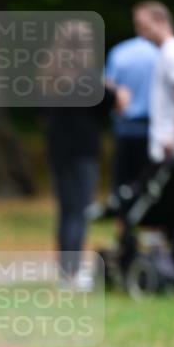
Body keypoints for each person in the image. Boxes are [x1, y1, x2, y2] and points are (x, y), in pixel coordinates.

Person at [44, 20, 118, 287]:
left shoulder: (50, 74)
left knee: (65, 211)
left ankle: (65, 270)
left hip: (57, 150)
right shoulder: (87, 77)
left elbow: (39, 111)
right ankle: (73, 274)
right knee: (80, 211)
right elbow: (113, 104)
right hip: (83, 151)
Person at [104, 3, 160, 189]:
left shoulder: (120, 52)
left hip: (125, 127)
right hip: (156, 130)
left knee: (123, 185)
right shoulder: (164, 53)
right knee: (154, 188)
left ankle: (123, 217)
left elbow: (108, 90)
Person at [140, 2, 174, 163]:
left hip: (171, 147)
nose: (140, 32)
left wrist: (173, 137)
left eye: (142, 25)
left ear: (160, 21)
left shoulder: (172, 53)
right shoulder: (166, 52)